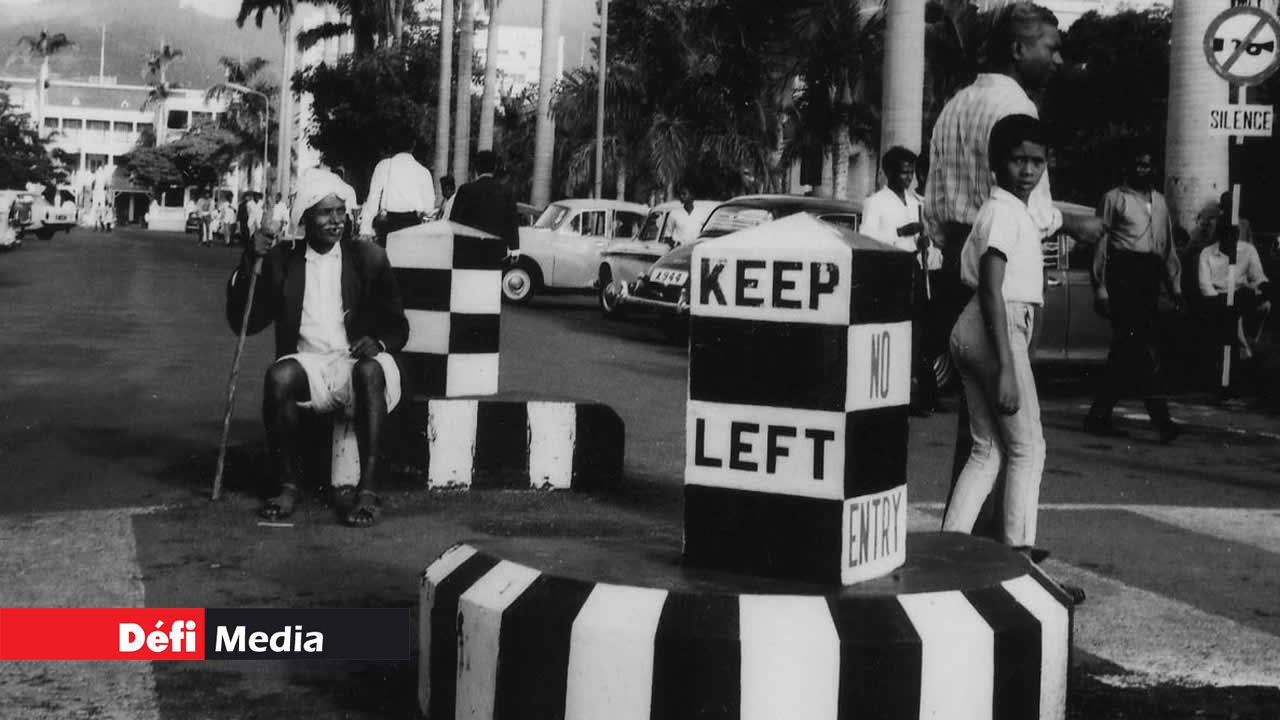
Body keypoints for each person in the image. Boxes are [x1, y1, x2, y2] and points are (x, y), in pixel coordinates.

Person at [923, 1, 1103, 542]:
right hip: (999, 278)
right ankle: (1003, 558)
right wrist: (1076, 224)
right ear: (1018, 48)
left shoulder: (957, 103)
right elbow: (1034, 211)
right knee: (1018, 439)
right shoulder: (1016, 105)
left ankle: (963, 550)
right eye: (1050, 46)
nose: (1056, 57)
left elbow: (932, 210)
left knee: (981, 438)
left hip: (960, 262)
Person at [226, 168, 409, 527]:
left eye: (341, 212)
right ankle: (288, 485)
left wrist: (378, 343)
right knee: (279, 376)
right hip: (309, 363)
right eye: (326, 212)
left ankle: (368, 491)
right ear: (305, 217)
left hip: (356, 363)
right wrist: (249, 261)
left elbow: (399, 327)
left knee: (371, 370)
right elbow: (246, 323)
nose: (336, 221)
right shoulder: (282, 259)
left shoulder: (367, 258)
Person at [942, 114, 1066, 587]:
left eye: (1037, 161)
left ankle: (949, 547)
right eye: (1018, 160)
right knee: (1029, 449)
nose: (1029, 170)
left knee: (988, 449)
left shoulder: (1015, 211)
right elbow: (993, 288)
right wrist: (1008, 367)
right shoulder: (1001, 211)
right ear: (997, 164)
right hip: (994, 325)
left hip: (980, 329)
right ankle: (1020, 564)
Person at [1084, 147, 1183, 442]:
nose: (1143, 170)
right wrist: (1100, 288)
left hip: (1149, 276)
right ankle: (1162, 421)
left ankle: (1098, 416)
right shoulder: (1114, 198)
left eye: (1147, 165)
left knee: (1128, 349)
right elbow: (1100, 247)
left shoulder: (1161, 202)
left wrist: (1174, 285)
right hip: (1123, 274)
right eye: (1138, 164)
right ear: (1128, 167)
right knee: (1136, 346)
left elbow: (1167, 247)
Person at [862, 146, 943, 415]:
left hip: (916, 275)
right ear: (887, 173)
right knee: (897, 336)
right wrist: (901, 234)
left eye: (911, 173)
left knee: (920, 338)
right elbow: (868, 242)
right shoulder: (875, 203)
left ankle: (924, 396)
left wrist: (926, 243)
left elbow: (928, 251)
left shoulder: (917, 203)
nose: (907, 178)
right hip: (891, 277)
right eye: (902, 173)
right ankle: (897, 397)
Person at [1199, 192, 1272, 361]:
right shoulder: (1208, 247)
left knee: (1260, 305)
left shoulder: (1246, 241)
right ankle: (1242, 351)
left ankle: (1248, 342)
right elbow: (1206, 287)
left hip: (1241, 291)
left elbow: (1258, 275)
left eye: (1234, 232)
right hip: (1219, 296)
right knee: (1231, 315)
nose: (1231, 236)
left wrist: (1260, 285)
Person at [358, 139, 435, 247]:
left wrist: (365, 229)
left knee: (387, 261)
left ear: (392, 146)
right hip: (412, 225)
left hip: (388, 225)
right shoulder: (423, 171)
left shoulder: (383, 166)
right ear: (413, 144)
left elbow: (373, 201)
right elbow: (429, 209)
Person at [448, 150, 520, 251]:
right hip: (496, 251)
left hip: (468, 250)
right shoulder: (506, 193)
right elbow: (512, 224)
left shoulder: (465, 190)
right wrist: (515, 248)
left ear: (476, 168)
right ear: (494, 168)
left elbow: (454, 223)